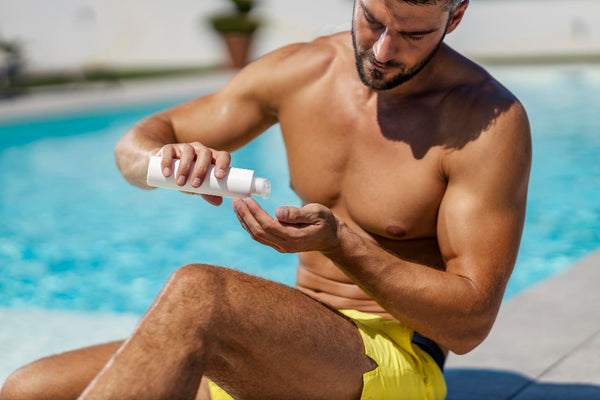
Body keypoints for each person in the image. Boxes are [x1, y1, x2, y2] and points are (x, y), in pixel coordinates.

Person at [0, 0, 532, 399]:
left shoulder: (485, 122)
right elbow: (135, 145)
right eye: (373, 20)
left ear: (455, 17)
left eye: (413, 34)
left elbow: (468, 325)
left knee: (201, 293)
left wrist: (342, 243)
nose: (383, 50)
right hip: (289, 344)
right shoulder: (303, 71)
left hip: (391, 360)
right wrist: (169, 165)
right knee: (26, 389)